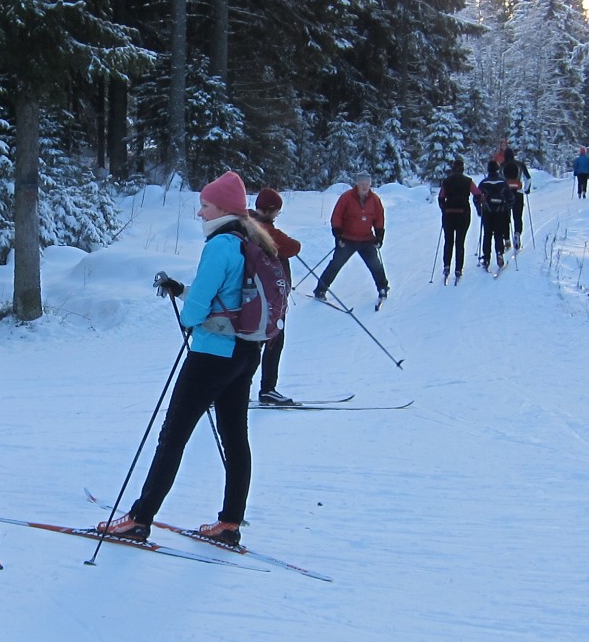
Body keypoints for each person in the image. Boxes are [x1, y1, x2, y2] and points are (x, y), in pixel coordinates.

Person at [101, 170, 272, 546]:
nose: (200, 213)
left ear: (223, 209)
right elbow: (230, 295)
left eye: (205, 206)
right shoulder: (250, 240)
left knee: (173, 435)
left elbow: (196, 310)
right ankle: (230, 524)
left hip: (212, 355)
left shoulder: (220, 245)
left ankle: (139, 519)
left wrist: (188, 313)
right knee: (235, 437)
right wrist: (182, 290)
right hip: (246, 352)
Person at [250, 187, 301, 404]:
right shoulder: (266, 230)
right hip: (271, 296)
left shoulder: (247, 222)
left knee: (252, 343)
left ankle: (223, 389)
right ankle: (267, 389)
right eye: (276, 212)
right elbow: (293, 247)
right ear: (271, 211)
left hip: (255, 294)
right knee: (272, 341)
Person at [311, 172, 388, 305]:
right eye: (362, 184)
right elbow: (337, 216)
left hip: (366, 239)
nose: (365, 187)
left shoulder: (375, 200)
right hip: (348, 239)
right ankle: (320, 290)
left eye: (367, 184)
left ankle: (382, 288)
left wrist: (379, 235)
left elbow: (379, 218)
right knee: (335, 265)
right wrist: (338, 234)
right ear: (357, 184)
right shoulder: (346, 198)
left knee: (375, 265)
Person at [437, 158, 479, 284]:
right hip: (463, 214)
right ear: (463, 168)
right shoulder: (468, 181)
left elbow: (440, 198)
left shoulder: (447, 182)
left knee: (448, 241)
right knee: (460, 242)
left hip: (449, 215)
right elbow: (477, 194)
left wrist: (444, 209)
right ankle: (458, 269)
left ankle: (446, 266)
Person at [477, 161, 512, 273]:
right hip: (500, 212)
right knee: (498, 234)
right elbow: (511, 198)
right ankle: (499, 254)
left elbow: (476, 197)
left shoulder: (483, 183)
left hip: (486, 212)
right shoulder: (503, 182)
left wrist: (479, 210)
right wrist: (507, 207)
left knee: (487, 234)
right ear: (497, 169)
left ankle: (486, 258)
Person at [501, 146, 529, 250]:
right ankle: (517, 234)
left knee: (505, 217)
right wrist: (526, 189)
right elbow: (528, 178)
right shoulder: (520, 165)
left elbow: (500, 180)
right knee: (517, 217)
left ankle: (507, 239)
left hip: (505, 194)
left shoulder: (502, 166)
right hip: (518, 193)